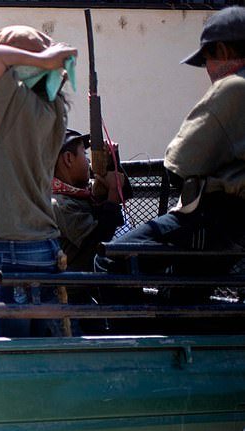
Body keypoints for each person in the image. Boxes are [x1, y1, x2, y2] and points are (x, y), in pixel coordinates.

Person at [96, 7, 245, 290]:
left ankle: (129, 334)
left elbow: (178, 163)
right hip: (234, 230)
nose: (209, 72)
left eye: (207, 61)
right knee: (184, 291)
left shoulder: (233, 87)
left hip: (216, 217)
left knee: (109, 261)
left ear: (223, 51)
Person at [0, 25, 77, 337]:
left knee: (13, 356)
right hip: (43, 245)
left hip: (13, 251)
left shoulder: (17, 104)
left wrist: (47, 60)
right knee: (44, 358)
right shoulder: (51, 106)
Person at [52, 129, 126, 274]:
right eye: (84, 154)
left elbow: (126, 192)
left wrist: (112, 162)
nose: (88, 162)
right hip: (78, 287)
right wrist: (112, 191)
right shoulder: (60, 204)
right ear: (68, 159)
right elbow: (98, 240)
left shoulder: (80, 193)